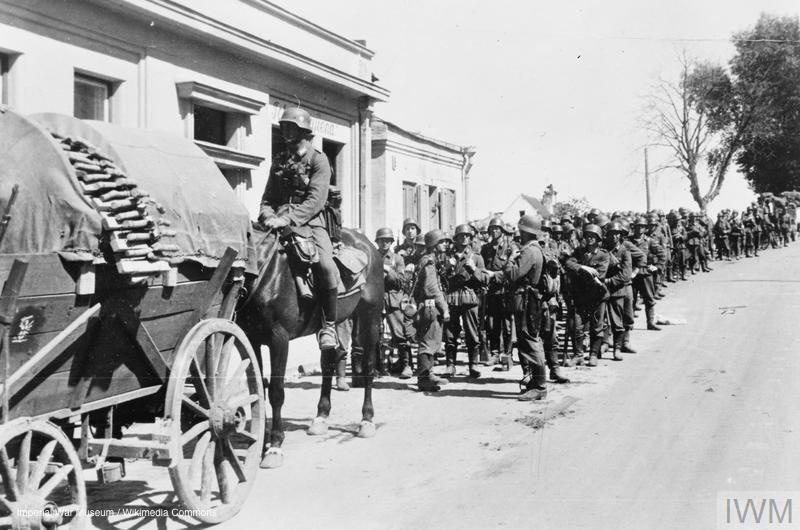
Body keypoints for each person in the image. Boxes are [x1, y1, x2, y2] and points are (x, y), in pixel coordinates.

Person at [259, 107, 340, 349]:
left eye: (290, 128)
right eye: (283, 127)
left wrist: (287, 220)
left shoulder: (319, 160)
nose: (285, 132)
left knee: (326, 265)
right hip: (276, 221)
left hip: (310, 222)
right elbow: (267, 198)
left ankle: (329, 326)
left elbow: (315, 201)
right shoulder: (280, 160)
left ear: (303, 131)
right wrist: (268, 216)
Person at [497, 215, 549, 401]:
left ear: (526, 231)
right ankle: (536, 382)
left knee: (530, 340)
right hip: (529, 299)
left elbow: (513, 274)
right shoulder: (536, 249)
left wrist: (510, 259)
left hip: (527, 300)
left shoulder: (529, 252)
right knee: (529, 339)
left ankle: (540, 386)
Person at [442, 224, 491, 378]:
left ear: (470, 239)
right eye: (460, 236)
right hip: (452, 296)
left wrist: (472, 269)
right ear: (455, 239)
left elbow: (484, 279)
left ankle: (473, 364)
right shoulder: (447, 257)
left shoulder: (476, 257)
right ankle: (450, 365)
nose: (464, 238)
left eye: (467, 236)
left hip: (470, 296)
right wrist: (448, 268)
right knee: (451, 333)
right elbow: (442, 279)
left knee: (471, 332)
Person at [564, 224, 611, 367]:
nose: (590, 239)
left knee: (596, 326)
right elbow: (567, 263)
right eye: (588, 236)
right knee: (577, 327)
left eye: (593, 237)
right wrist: (583, 267)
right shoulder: (579, 252)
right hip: (581, 296)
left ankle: (593, 354)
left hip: (597, 296)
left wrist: (579, 272)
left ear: (598, 239)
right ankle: (578, 355)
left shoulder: (604, 254)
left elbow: (600, 275)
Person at [413, 229, 451, 392]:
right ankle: (423, 378)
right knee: (427, 342)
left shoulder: (431, 260)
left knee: (432, 340)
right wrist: (445, 308)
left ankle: (429, 373)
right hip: (430, 306)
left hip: (429, 306)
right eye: (441, 242)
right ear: (433, 245)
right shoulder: (428, 262)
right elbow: (432, 288)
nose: (445, 244)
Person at [375, 228, 414, 379]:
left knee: (399, 332)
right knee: (375, 334)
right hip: (376, 298)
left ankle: (406, 365)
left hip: (393, 298)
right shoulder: (373, 256)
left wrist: (388, 270)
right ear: (377, 241)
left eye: (387, 240)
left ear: (391, 243)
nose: (385, 243)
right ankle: (377, 367)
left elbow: (401, 281)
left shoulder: (397, 259)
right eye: (382, 240)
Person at [481, 217, 516, 368]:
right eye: (492, 229)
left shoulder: (510, 247)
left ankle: (508, 354)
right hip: (491, 291)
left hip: (506, 291)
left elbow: (511, 269)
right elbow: (482, 268)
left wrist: (495, 275)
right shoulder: (486, 248)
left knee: (507, 324)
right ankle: (495, 353)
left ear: (502, 231)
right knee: (492, 324)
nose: (494, 231)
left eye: (497, 228)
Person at [603, 222, 631, 361]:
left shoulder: (624, 252)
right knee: (601, 320)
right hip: (601, 290)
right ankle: (603, 344)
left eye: (617, 234)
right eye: (611, 234)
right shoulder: (602, 250)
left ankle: (617, 348)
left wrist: (608, 281)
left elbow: (626, 275)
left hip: (616, 291)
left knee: (617, 321)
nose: (614, 237)